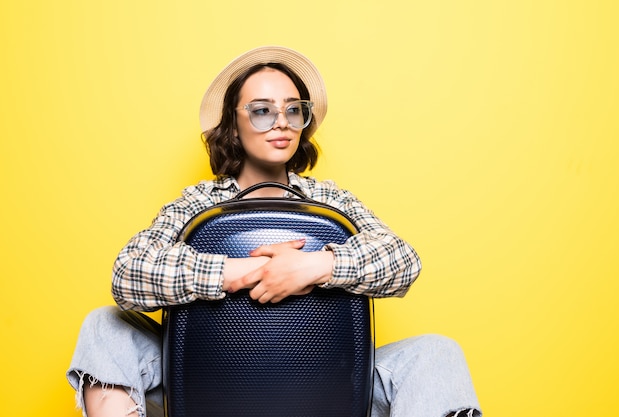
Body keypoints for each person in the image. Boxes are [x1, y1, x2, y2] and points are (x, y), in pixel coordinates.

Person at [67, 46, 482, 417]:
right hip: (206, 374)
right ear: (233, 124)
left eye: (293, 109)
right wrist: (247, 272)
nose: (280, 122)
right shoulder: (197, 203)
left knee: (437, 354)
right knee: (105, 325)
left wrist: (314, 266)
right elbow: (128, 273)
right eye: (262, 109)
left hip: (327, 376)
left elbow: (402, 261)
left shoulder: (332, 201)